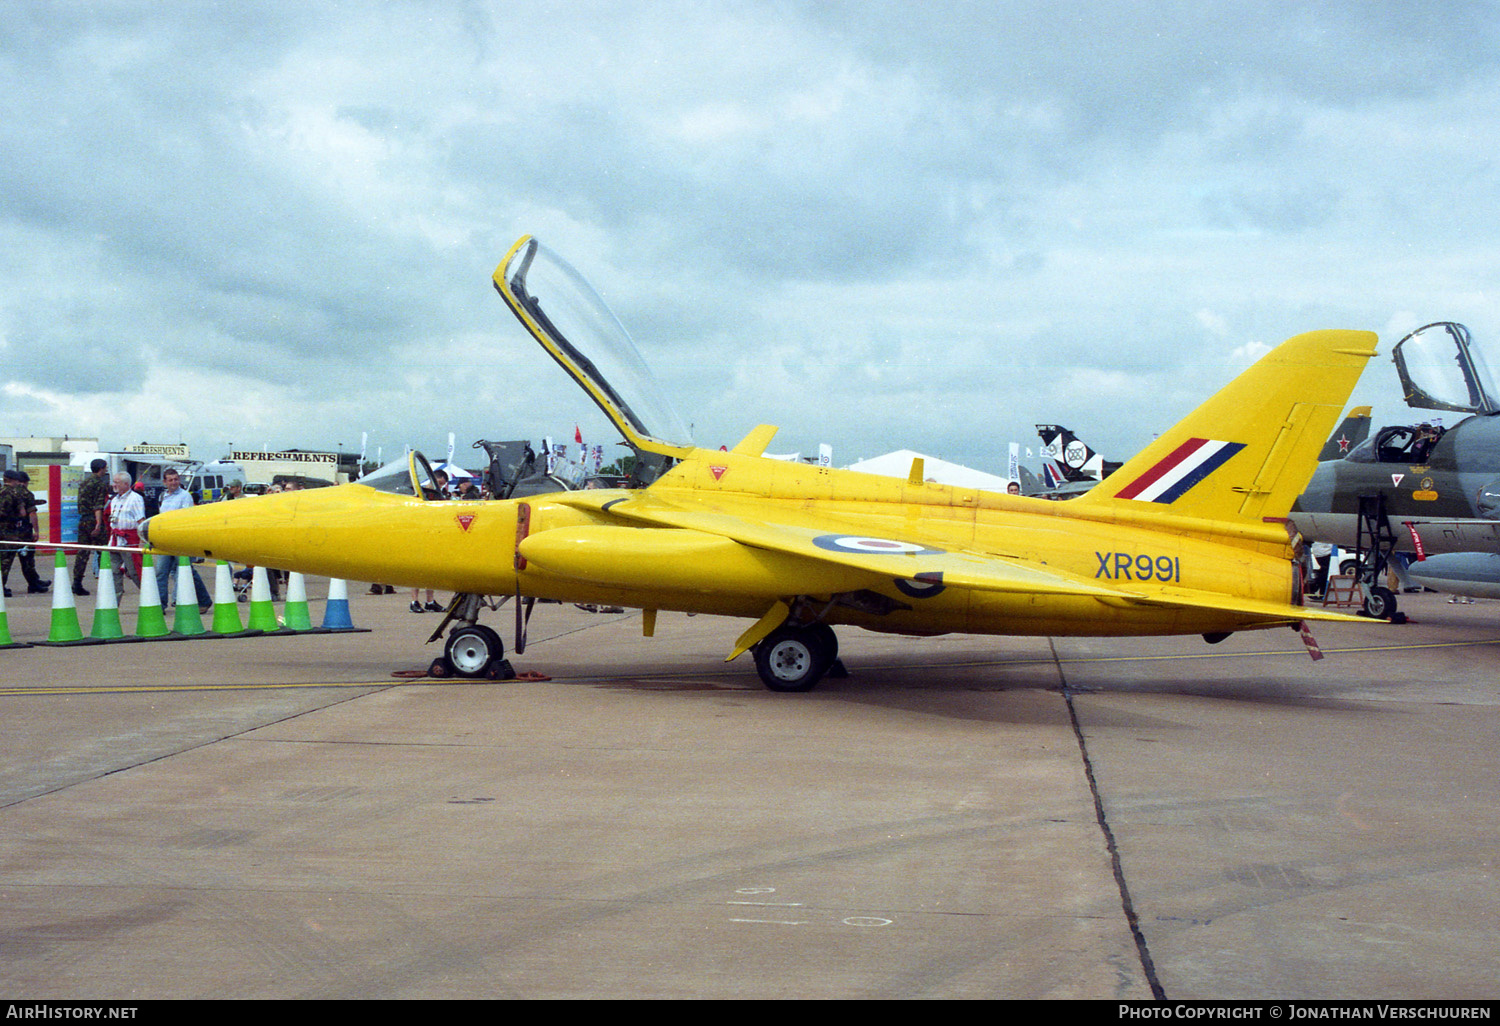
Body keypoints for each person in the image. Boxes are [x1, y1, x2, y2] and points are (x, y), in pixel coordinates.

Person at [154, 467, 211, 612]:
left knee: (186, 571)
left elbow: (185, 519)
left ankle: (202, 600)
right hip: (164, 541)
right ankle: (160, 604)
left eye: (176, 479)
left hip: (179, 540)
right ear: (165, 482)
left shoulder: (185, 496)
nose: (174, 482)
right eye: (170, 480)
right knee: (161, 572)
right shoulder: (163, 497)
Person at [0, 469, 50, 597]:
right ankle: (32, 583)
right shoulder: (19, 493)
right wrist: (36, 530)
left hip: (2, 531)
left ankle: (30, 582)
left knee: (4, 559)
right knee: (25, 559)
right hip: (15, 531)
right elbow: (26, 513)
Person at [72, 458, 111, 595]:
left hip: (83, 519)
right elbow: (98, 506)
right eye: (105, 468)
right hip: (93, 520)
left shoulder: (84, 483)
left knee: (82, 553)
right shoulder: (100, 484)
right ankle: (105, 581)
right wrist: (99, 524)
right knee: (103, 550)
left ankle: (76, 582)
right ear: (101, 468)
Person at [412, 470, 449, 613]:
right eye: (440, 483)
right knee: (417, 569)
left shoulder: (440, 495)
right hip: (421, 533)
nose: (441, 486)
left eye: (443, 484)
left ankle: (429, 601)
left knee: (431, 569)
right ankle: (414, 601)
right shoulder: (421, 492)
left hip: (433, 533)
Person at [108, 472, 145, 595]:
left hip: (130, 541)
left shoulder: (136, 499)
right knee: (113, 572)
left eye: (116, 482)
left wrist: (142, 542)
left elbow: (141, 522)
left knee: (134, 572)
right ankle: (114, 604)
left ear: (126, 484)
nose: (114, 485)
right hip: (115, 541)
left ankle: (152, 598)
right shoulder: (114, 500)